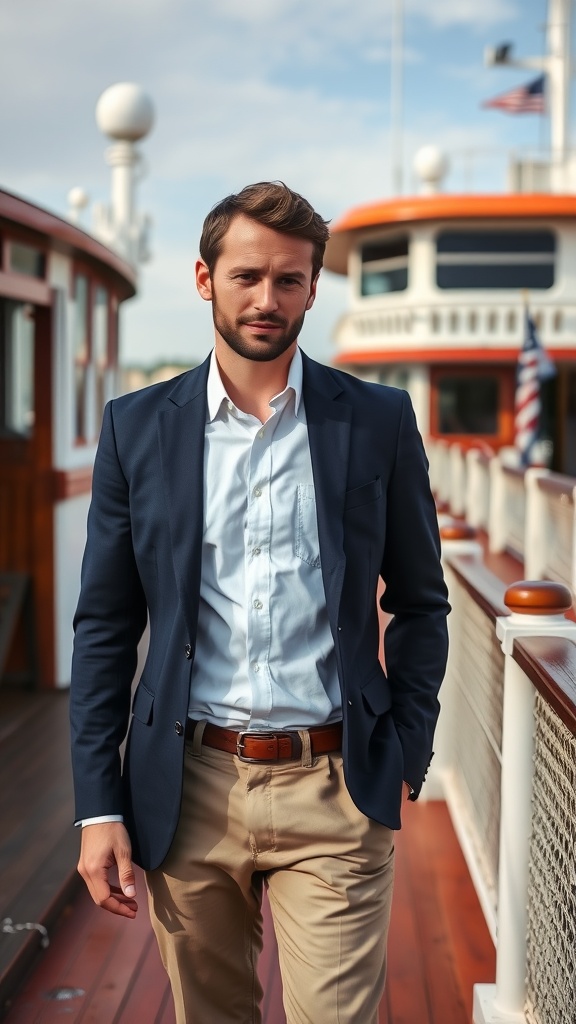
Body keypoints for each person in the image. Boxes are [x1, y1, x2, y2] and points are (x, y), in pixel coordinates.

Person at [70, 181, 450, 1024]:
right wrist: (98, 806)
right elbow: (105, 626)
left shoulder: (379, 421)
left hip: (337, 784)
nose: (266, 299)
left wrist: (406, 749)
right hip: (188, 783)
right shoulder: (136, 429)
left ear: (315, 286)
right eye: (246, 276)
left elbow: (423, 603)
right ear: (205, 279)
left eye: (288, 280)